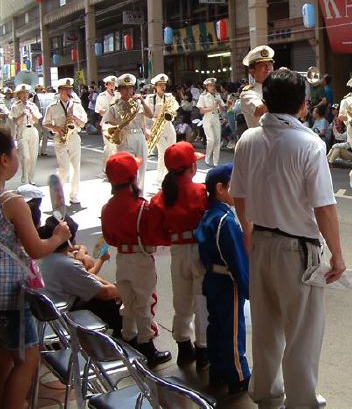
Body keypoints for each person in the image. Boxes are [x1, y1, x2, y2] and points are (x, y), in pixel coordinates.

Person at [231, 68, 346, 409]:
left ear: (265, 101)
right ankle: (301, 401)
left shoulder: (247, 139)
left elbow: (239, 196)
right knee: (302, 334)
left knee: (266, 328)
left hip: (261, 243)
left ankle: (267, 396)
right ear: (303, 105)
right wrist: (337, 255)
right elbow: (324, 207)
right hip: (297, 249)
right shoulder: (309, 143)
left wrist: (249, 237)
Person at [0, 130, 71, 409]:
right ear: (4, 159)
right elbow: (36, 250)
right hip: (11, 295)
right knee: (27, 358)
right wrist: (59, 237)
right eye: (15, 152)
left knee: (5, 355)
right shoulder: (12, 203)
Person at [101, 152, 171, 367]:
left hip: (122, 258)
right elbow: (156, 235)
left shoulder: (107, 208)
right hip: (140, 259)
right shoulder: (142, 207)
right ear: (132, 178)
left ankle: (128, 336)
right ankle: (147, 346)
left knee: (128, 300)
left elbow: (110, 239)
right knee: (145, 301)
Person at [150, 142, 209, 367]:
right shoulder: (202, 191)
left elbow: (156, 233)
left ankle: (184, 346)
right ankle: (203, 349)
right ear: (192, 167)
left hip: (178, 250)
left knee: (181, 300)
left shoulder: (161, 197)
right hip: (200, 250)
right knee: (202, 301)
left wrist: (174, 239)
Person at [195, 163, 250, 394]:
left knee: (216, 326)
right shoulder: (226, 220)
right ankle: (238, 375)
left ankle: (217, 369)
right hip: (228, 282)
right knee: (233, 329)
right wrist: (249, 287)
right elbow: (237, 259)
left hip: (212, 278)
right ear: (220, 188)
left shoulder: (210, 213)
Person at [38, 215, 122, 339]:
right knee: (109, 299)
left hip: (45, 309)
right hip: (60, 313)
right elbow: (105, 293)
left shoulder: (43, 255)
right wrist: (124, 290)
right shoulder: (67, 264)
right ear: (69, 240)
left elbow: (90, 277)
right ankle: (124, 336)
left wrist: (81, 252)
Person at [103, 73, 154, 191]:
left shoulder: (137, 104)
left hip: (139, 136)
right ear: (119, 90)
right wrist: (116, 134)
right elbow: (105, 125)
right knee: (128, 169)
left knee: (142, 168)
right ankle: (130, 194)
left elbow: (150, 115)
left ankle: (140, 195)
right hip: (125, 137)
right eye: (125, 88)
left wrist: (142, 100)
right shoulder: (114, 107)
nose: (128, 91)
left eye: (130, 87)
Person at [42, 78, 88, 205]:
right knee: (64, 168)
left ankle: (74, 195)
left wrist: (75, 118)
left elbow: (83, 123)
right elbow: (45, 123)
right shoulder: (52, 107)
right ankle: (59, 193)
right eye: (66, 89)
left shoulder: (76, 105)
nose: (69, 91)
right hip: (60, 138)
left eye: (70, 89)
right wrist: (57, 128)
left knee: (75, 167)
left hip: (74, 137)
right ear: (60, 91)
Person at [146, 74, 179, 185]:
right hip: (157, 126)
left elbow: (175, 110)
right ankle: (161, 179)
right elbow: (146, 114)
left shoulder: (170, 97)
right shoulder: (150, 98)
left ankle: (170, 176)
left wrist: (171, 114)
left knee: (172, 152)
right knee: (163, 153)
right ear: (155, 86)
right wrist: (147, 129)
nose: (163, 87)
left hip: (168, 126)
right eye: (160, 85)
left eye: (164, 85)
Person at [10, 84, 41, 185]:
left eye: (26, 93)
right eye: (22, 93)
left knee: (33, 156)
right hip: (22, 130)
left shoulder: (32, 105)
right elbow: (14, 120)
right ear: (18, 95)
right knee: (25, 156)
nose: (25, 95)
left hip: (32, 129)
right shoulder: (15, 106)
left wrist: (31, 113)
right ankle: (25, 179)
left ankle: (31, 178)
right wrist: (22, 114)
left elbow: (37, 120)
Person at [240, 45, 274, 129]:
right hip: (262, 139)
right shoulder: (248, 93)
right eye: (262, 65)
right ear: (252, 72)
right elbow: (260, 111)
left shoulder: (275, 89)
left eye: (269, 64)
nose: (268, 68)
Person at [197, 78, 225, 167]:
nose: (212, 87)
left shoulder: (217, 95)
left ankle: (216, 162)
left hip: (216, 118)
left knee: (217, 140)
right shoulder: (203, 96)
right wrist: (212, 107)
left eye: (213, 85)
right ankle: (207, 157)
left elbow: (223, 109)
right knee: (211, 140)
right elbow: (201, 111)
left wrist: (219, 104)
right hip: (207, 118)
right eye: (210, 85)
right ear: (206, 87)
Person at [95, 75, 120, 171]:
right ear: (106, 85)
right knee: (108, 147)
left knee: (117, 146)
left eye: (114, 84)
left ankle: (116, 166)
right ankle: (106, 168)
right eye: (110, 84)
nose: (112, 86)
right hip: (107, 123)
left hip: (118, 123)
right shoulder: (101, 96)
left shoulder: (118, 95)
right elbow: (99, 111)